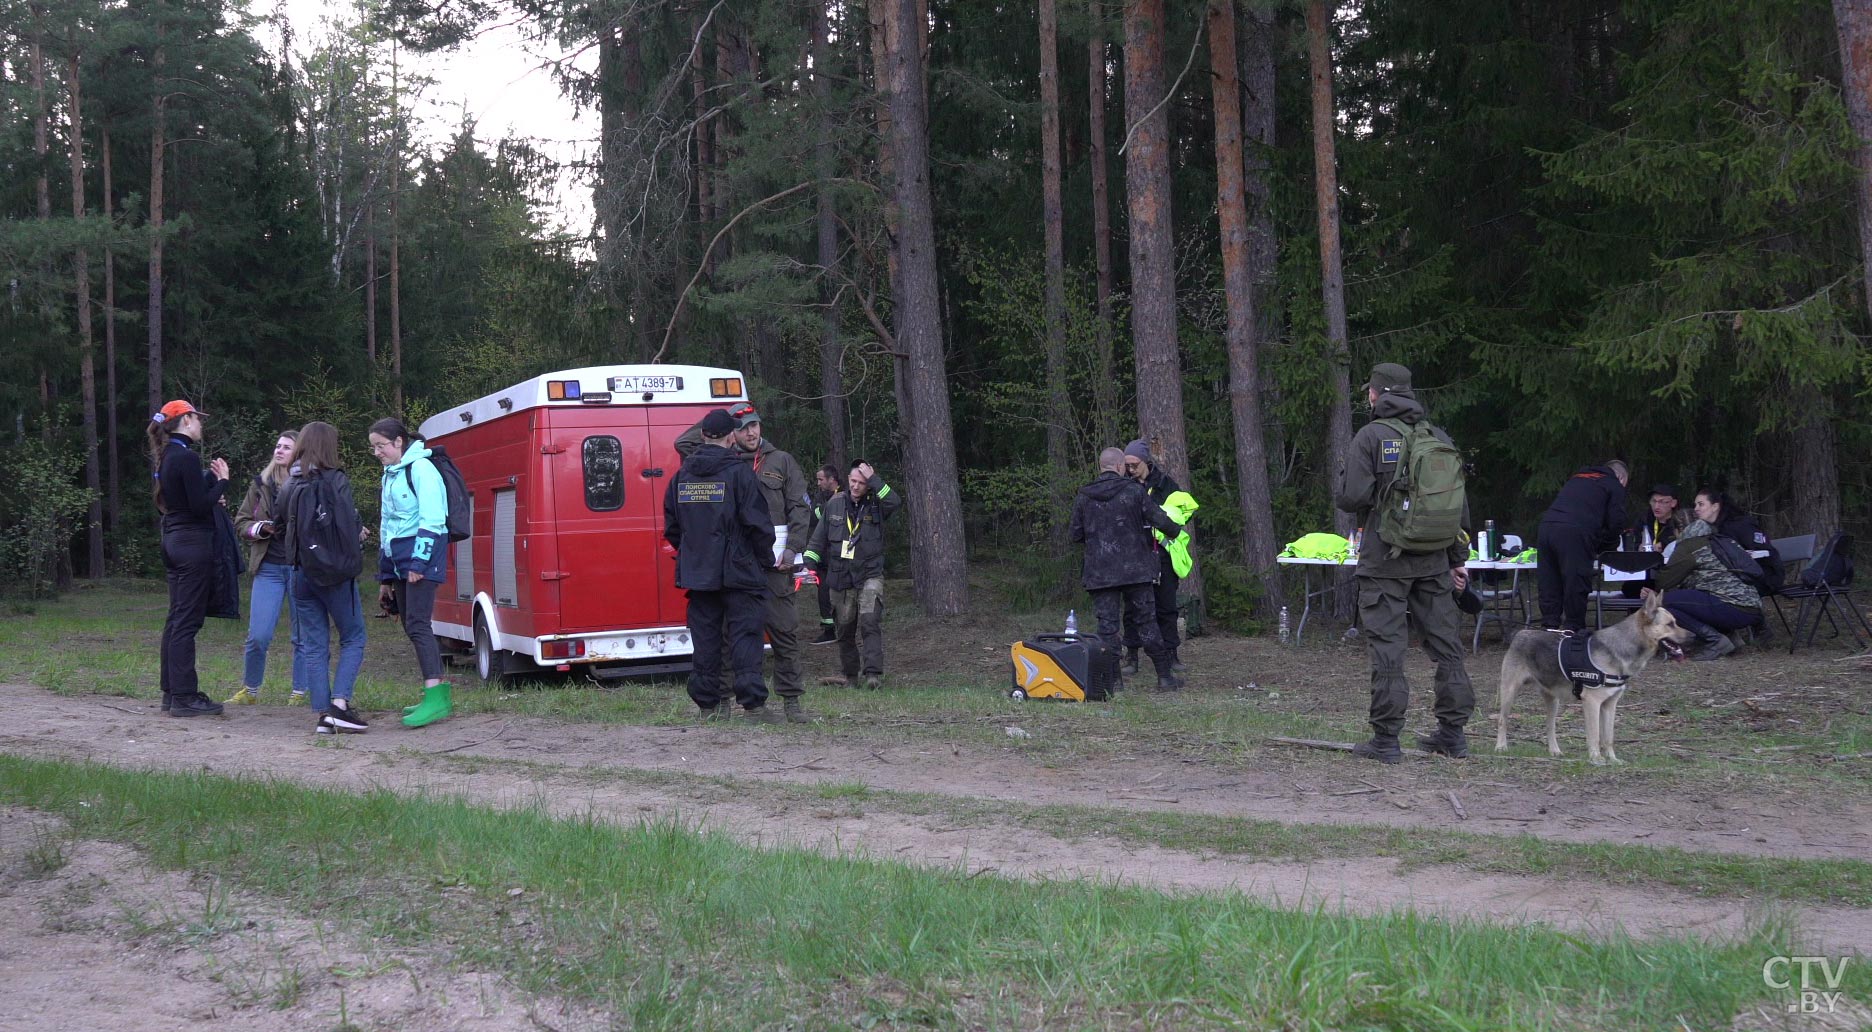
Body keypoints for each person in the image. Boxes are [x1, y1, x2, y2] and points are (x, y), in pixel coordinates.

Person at [1333, 363, 1474, 763]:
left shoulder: (1371, 436)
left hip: (1384, 563)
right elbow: (1458, 506)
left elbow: (1352, 497)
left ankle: (1386, 739)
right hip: (1433, 561)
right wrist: (1457, 559)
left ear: (1375, 395)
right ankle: (1453, 734)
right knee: (1448, 649)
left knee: (1389, 652)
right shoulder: (1437, 436)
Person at [676, 402, 815, 722]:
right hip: (735, 567)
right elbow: (682, 443)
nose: (751, 432)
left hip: (773, 565)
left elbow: (800, 509)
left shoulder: (781, 461)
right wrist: (716, 423)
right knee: (726, 637)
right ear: (730, 434)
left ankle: (792, 702)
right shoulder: (721, 465)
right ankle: (723, 702)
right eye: (742, 427)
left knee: (784, 631)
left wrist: (793, 550)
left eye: (755, 425)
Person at [664, 409, 779, 721]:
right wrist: (764, 561)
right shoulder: (740, 474)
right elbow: (759, 524)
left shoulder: (681, 477)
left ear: (703, 436)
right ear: (731, 437)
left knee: (706, 641)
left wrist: (695, 552)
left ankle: (709, 708)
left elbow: (673, 527)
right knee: (745, 637)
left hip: (699, 574)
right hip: (740, 572)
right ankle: (753, 707)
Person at [277, 421, 369, 735]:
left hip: (300, 573)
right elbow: (344, 526)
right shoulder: (335, 479)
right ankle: (339, 706)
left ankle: (323, 714)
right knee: (354, 637)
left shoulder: (291, 482)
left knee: (314, 645)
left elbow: (278, 524)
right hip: (333, 573)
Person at [1070, 448, 1184, 692]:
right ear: (1120, 466)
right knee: (1147, 622)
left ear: (1101, 466)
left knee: (1107, 628)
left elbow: (1075, 534)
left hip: (1100, 573)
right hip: (1136, 570)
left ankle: (1114, 682)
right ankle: (1165, 678)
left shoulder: (1084, 495)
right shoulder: (1134, 491)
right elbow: (1158, 519)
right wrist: (1175, 530)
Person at [369, 417, 453, 729]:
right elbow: (387, 525)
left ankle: (435, 697)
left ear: (399, 442)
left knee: (418, 624)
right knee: (410, 624)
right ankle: (438, 695)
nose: (377, 452)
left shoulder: (422, 469)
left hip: (421, 557)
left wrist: (419, 563)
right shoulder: (390, 475)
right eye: (374, 447)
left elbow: (433, 519)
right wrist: (386, 578)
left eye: (381, 445)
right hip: (398, 559)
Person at [150, 400, 232, 718]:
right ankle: (185, 696)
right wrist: (222, 480)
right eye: (198, 419)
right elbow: (199, 507)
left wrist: (211, 490)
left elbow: (187, 498)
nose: (201, 424)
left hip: (173, 540)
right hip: (192, 545)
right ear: (186, 420)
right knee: (187, 622)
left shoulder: (168, 455)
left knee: (176, 619)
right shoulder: (184, 456)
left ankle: (172, 693)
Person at [803, 459, 903, 690]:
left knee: (870, 622)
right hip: (841, 576)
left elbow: (895, 501)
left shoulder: (878, 504)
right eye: (853, 481)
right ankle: (851, 676)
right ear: (847, 480)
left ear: (868, 484)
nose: (856, 486)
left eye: (862, 482)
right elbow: (818, 539)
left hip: (870, 574)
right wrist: (809, 563)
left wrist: (875, 479)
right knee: (845, 629)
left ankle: (873, 676)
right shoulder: (835, 504)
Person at [225, 430, 303, 705]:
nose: (279, 451)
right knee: (258, 635)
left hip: (299, 568)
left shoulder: (308, 482)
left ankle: (300, 692)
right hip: (268, 566)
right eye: (277, 446)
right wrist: (260, 528)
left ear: (299, 453)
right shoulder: (261, 484)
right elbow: (241, 521)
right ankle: (251, 690)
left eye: (286, 447)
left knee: (302, 635)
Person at [1656, 489, 1766, 659]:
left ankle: (1715, 640)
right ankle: (1731, 638)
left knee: (1663, 602)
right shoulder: (1717, 537)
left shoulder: (1688, 544)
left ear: (1679, 530)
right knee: (1698, 599)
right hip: (1752, 606)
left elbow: (1664, 582)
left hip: (1732, 606)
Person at [1119, 439, 1188, 676]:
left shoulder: (1166, 484)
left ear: (1146, 461)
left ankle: (1172, 653)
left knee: (1167, 605)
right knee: (1132, 608)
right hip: (1134, 555)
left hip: (1163, 554)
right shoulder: (1124, 485)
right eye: (1127, 465)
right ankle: (1132, 656)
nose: (1131, 469)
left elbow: (1182, 513)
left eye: (1134, 464)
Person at [1535, 459, 1629, 632]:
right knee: (1576, 580)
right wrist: (1607, 547)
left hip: (1546, 527)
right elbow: (1616, 522)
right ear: (1621, 478)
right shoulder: (1613, 484)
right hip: (1574, 532)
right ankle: (1574, 629)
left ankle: (1549, 625)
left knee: (1549, 580)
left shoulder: (1578, 477)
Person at [807, 464, 843, 646]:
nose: (818, 483)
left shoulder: (845, 494)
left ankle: (844, 628)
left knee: (842, 593)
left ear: (832, 479)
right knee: (823, 593)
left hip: (840, 554)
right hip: (822, 554)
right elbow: (814, 516)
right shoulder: (819, 496)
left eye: (821, 479)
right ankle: (828, 630)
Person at [1630, 483, 1686, 552]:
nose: (1656, 506)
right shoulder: (1644, 520)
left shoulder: (1680, 522)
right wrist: (1638, 548)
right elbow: (1633, 544)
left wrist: (1664, 546)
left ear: (1673, 503)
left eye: (1662, 502)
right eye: (1654, 501)